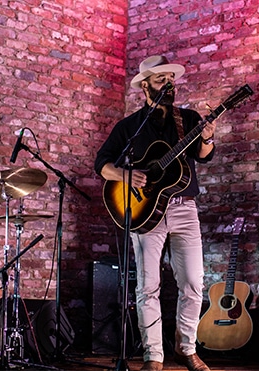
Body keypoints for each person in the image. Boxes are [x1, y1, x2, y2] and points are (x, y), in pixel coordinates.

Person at [94, 56, 216, 371]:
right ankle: (154, 356)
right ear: (145, 85)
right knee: (148, 285)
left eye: (170, 79)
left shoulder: (187, 119)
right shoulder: (129, 127)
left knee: (193, 282)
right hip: (144, 211)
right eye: (161, 79)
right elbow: (102, 164)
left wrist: (206, 138)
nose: (168, 84)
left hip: (184, 209)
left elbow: (204, 156)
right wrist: (124, 175)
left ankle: (185, 348)